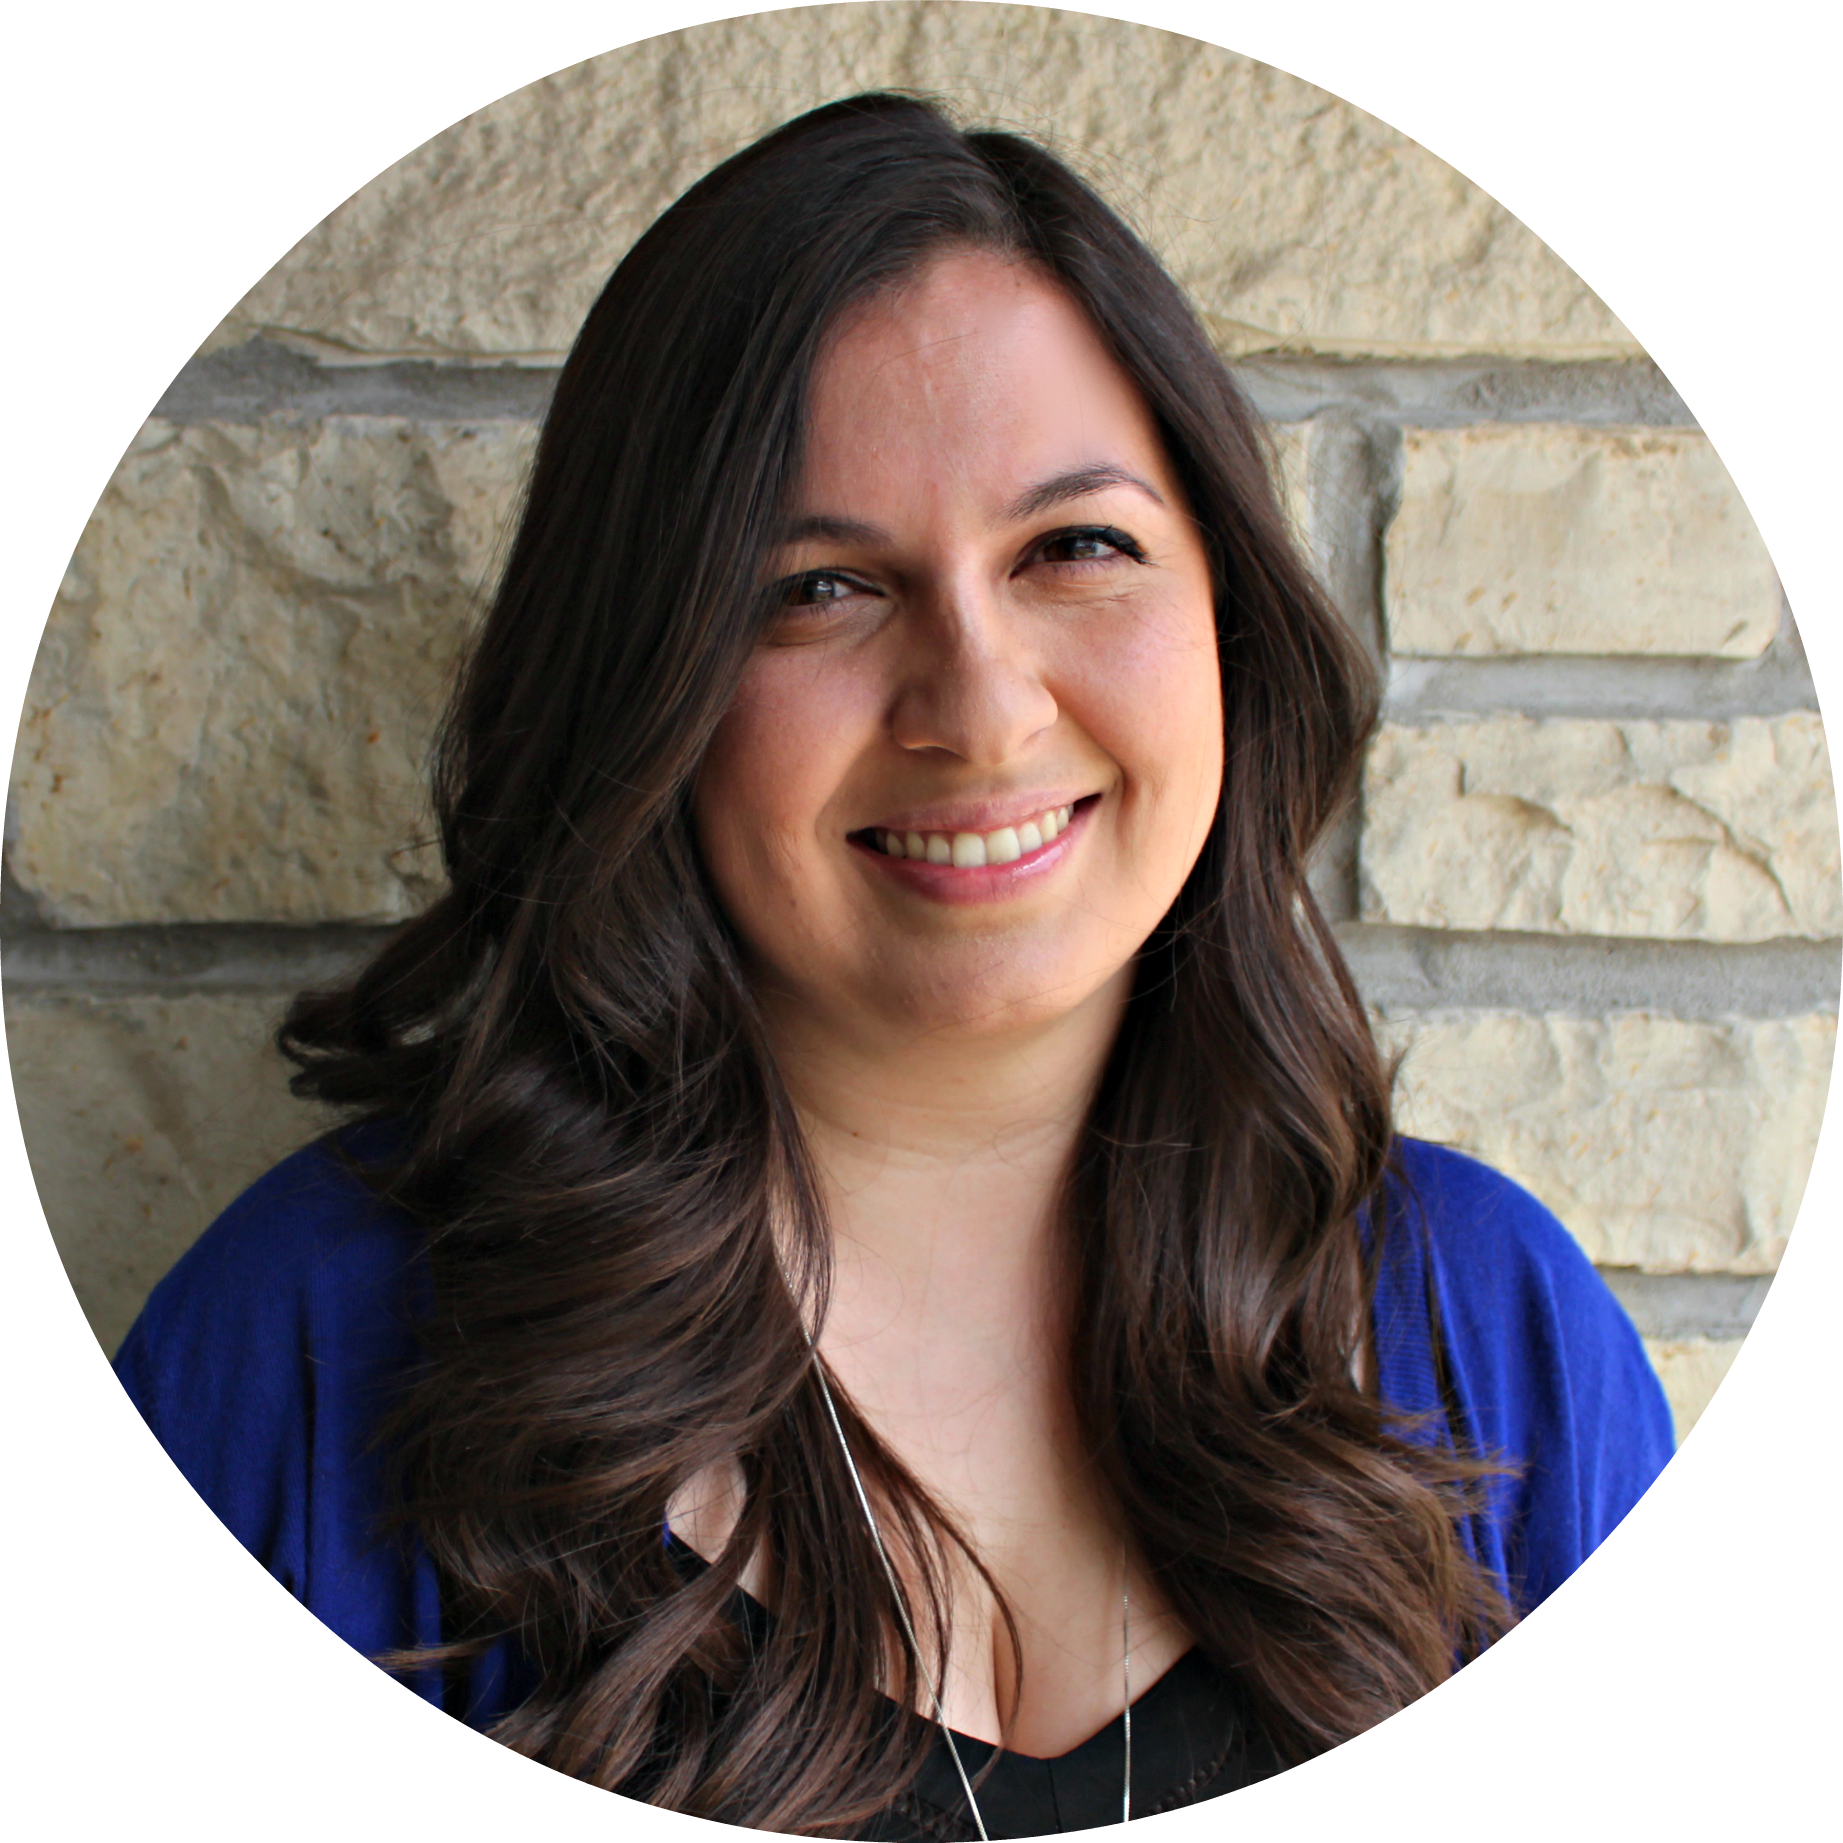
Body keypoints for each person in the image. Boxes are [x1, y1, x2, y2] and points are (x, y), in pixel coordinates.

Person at [111, 93, 1673, 1837]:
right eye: (820, 589)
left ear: (1226, 616)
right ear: (647, 690)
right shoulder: (307, 1354)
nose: (981, 703)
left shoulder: (1492, 1333)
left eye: (1074, 548)